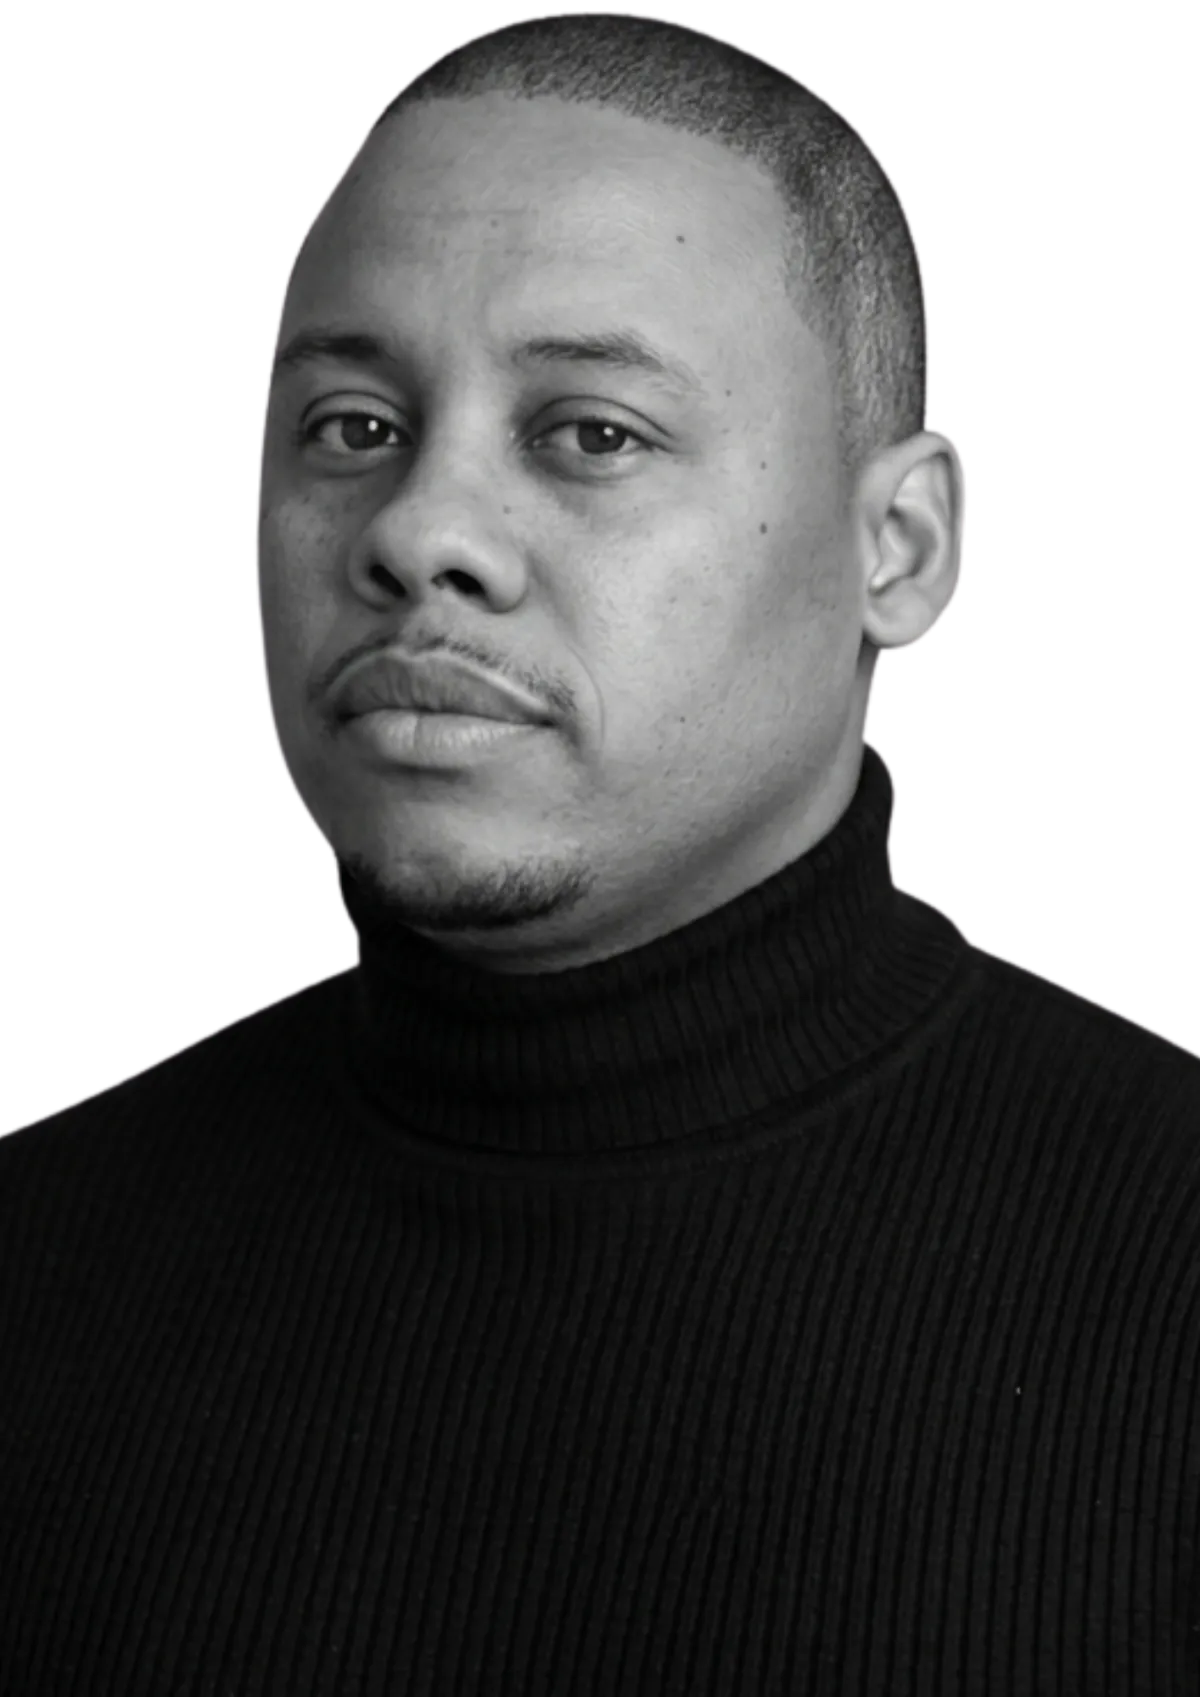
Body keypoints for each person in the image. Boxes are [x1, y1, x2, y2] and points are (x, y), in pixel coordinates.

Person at [2, 15, 1194, 1695]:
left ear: (901, 549)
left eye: (592, 434)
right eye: (352, 427)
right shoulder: (34, 1260)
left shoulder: (1169, 1249)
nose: (421, 530)